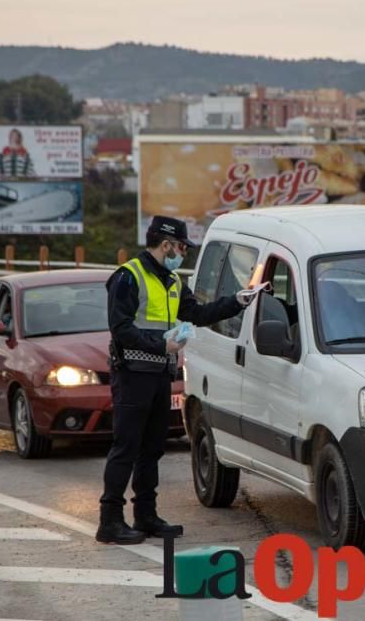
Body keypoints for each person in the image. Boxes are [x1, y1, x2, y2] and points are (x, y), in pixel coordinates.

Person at [96, 216, 253, 544]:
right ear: (166, 244)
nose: (183, 252)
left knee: (152, 449)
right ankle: (109, 521)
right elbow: (120, 328)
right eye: (181, 246)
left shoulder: (172, 281)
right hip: (132, 375)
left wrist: (236, 302)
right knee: (126, 447)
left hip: (159, 376)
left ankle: (146, 515)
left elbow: (197, 314)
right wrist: (161, 345)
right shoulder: (128, 277)